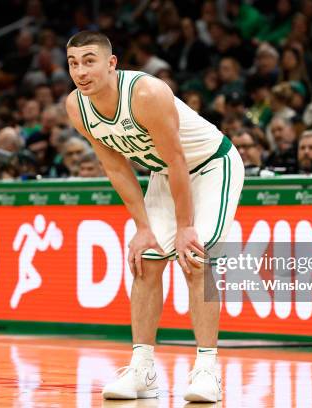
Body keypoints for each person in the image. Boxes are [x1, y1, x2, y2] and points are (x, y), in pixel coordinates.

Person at [65, 31, 244, 403]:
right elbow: (116, 168)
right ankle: (142, 368)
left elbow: (179, 159)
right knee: (145, 262)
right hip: (163, 174)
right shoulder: (76, 107)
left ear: (111, 63)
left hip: (211, 166)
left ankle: (207, 369)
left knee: (195, 257)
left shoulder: (146, 93)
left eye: (89, 60)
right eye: (73, 63)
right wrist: (143, 228)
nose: (80, 71)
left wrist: (184, 227)